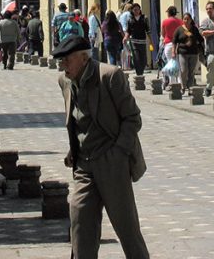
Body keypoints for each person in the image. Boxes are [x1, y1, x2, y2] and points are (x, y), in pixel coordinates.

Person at [52, 35, 149, 259]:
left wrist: (119, 153)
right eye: (60, 61)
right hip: (84, 165)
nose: (62, 65)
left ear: (84, 58)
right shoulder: (64, 81)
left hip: (111, 162)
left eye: (67, 60)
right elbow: (77, 120)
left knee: (126, 228)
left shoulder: (109, 76)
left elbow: (133, 119)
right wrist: (73, 150)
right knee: (79, 217)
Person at [173, 13, 204, 93]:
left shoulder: (194, 29)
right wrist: (173, 51)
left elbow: (200, 39)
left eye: (188, 19)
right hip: (182, 53)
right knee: (183, 70)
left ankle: (190, 88)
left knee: (191, 71)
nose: (186, 20)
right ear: (183, 20)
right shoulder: (179, 29)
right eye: (185, 19)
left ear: (191, 20)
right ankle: (183, 86)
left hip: (193, 53)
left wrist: (195, 42)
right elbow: (174, 41)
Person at [123, 4, 149, 76]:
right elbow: (128, 31)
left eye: (137, 9)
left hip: (143, 42)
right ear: (132, 10)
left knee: (144, 60)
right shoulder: (130, 20)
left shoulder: (144, 18)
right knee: (136, 58)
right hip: (134, 42)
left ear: (140, 10)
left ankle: (141, 71)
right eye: (134, 10)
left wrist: (151, 41)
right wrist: (125, 37)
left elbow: (148, 30)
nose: (136, 11)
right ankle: (139, 74)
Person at [159, 6, 182, 84]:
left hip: (168, 44)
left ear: (168, 13)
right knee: (178, 64)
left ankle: (172, 83)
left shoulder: (165, 22)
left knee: (170, 63)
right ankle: (180, 82)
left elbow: (163, 34)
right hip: (178, 45)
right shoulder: (180, 21)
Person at [117, 2, 133, 70]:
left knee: (124, 49)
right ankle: (128, 66)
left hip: (122, 32)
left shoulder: (122, 15)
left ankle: (124, 65)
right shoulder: (129, 14)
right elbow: (130, 23)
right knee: (129, 50)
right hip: (127, 32)